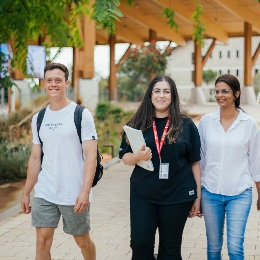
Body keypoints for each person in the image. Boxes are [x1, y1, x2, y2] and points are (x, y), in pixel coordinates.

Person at [119, 75, 201, 260]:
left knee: (170, 250)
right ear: (150, 95)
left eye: (166, 91)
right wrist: (137, 157)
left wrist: (197, 197)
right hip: (144, 194)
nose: (161, 96)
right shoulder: (137, 123)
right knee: (140, 244)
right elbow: (124, 157)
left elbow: (194, 162)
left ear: (173, 96)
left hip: (177, 195)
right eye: (157, 91)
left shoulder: (186, 125)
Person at [21, 63, 97, 260]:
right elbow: (36, 158)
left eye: (58, 80)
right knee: (42, 241)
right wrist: (27, 192)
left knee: (82, 241)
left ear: (66, 83)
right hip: (45, 191)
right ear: (44, 84)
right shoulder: (39, 118)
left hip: (74, 193)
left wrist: (85, 192)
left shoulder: (81, 114)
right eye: (49, 80)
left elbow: (91, 157)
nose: (53, 84)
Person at [198, 74, 260, 260]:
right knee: (213, 248)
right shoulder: (206, 122)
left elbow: (256, 162)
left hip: (240, 193)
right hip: (210, 193)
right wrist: (197, 195)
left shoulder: (249, 124)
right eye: (216, 91)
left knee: (235, 247)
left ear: (237, 93)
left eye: (225, 91)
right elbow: (200, 160)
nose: (219, 95)